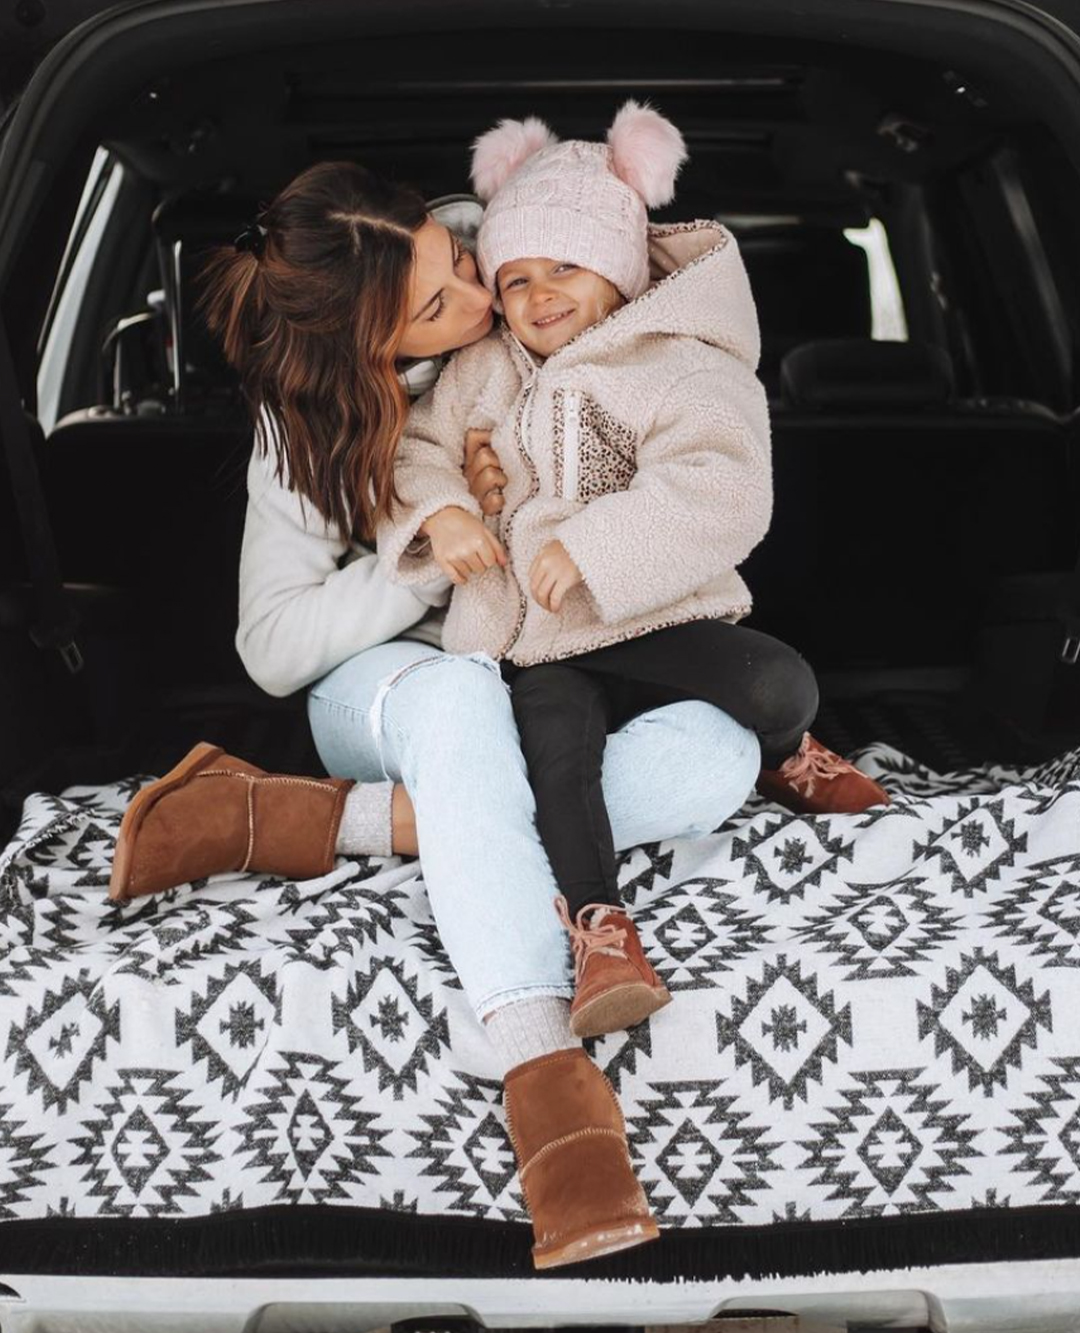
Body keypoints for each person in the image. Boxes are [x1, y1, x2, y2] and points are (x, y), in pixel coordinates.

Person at [105, 160, 765, 1269]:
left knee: (718, 756)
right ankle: (547, 1081)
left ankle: (298, 820)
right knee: (457, 700)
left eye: (460, 266)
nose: (474, 302)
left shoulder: (515, 281)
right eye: (435, 306)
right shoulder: (299, 433)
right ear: (361, 347)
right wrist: (423, 559)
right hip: (388, 688)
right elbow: (270, 651)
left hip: (535, 678)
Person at [378, 104, 890, 1041]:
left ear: (618, 267)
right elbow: (414, 450)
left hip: (651, 612)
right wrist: (446, 507)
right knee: (557, 752)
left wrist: (598, 547)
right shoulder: (480, 370)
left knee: (779, 679)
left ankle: (785, 755)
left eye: (564, 268)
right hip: (532, 637)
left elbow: (724, 486)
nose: (538, 296)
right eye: (516, 277)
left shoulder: (684, 364)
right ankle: (602, 931)